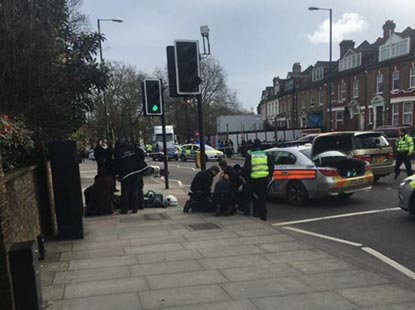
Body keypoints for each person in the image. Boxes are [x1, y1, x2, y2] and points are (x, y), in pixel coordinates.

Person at [243, 141, 274, 221]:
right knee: (262, 197)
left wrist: (247, 179)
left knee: (250, 196)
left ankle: (249, 211)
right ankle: (263, 215)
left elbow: (247, 168)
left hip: (253, 179)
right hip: (264, 178)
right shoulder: (265, 154)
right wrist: (269, 176)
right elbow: (271, 166)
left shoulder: (250, 155)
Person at [115, 141, 148, 214]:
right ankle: (135, 208)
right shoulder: (133, 149)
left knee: (125, 192)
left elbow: (117, 165)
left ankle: (125, 209)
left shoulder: (119, 152)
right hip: (135, 172)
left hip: (125, 174)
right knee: (135, 191)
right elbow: (140, 154)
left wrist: (117, 175)